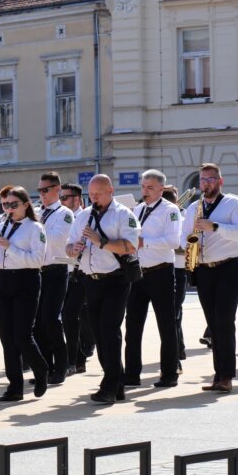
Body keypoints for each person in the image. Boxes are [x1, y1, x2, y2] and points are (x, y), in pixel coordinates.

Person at [66, 174, 140, 404]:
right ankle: (117, 384)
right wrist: (73, 249)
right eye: (91, 194)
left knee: (109, 330)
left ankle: (109, 386)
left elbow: (130, 247)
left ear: (110, 191)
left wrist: (101, 242)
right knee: (99, 333)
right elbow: (68, 245)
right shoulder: (83, 216)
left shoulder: (123, 215)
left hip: (115, 280)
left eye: (98, 193)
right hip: (91, 280)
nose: (94, 198)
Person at [180, 163, 238, 393]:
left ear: (220, 181)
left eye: (210, 179)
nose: (206, 183)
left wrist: (215, 226)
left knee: (224, 321)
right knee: (213, 323)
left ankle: (226, 376)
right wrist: (190, 244)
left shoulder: (233, 203)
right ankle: (218, 375)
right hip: (204, 270)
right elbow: (183, 238)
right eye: (202, 179)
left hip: (229, 267)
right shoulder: (194, 207)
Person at [0, 187, 50, 401]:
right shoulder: (1, 226)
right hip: (2, 280)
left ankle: (41, 369)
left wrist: (10, 248)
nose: (9, 209)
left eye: (13, 204)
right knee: (6, 337)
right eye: (6, 205)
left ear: (25, 204)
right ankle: (15, 386)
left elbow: (37, 260)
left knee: (22, 335)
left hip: (25, 280)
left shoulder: (35, 228)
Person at [124, 169, 182, 388]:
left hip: (161, 272)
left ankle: (169, 373)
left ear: (161, 189)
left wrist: (144, 242)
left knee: (166, 325)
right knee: (132, 325)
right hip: (138, 273)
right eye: (143, 187)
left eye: (150, 187)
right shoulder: (138, 209)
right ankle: (131, 374)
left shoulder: (170, 210)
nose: (145, 191)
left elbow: (174, 241)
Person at [33, 172, 74, 384]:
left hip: (56, 269)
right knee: (38, 323)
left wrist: (35, 226)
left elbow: (58, 238)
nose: (42, 194)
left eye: (45, 190)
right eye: (39, 190)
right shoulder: (38, 212)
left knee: (52, 320)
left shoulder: (64, 213)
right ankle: (45, 367)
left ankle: (62, 366)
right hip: (37, 271)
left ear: (57, 189)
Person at [60, 183, 94, 374]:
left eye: (65, 198)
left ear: (77, 199)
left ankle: (79, 354)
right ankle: (75, 358)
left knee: (81, 316)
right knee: (69, 316)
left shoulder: (85, 217)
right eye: (61, 197)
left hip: (84, 273)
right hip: (66, 271)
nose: (62, 201)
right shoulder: (61, 216)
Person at [161, 184, 188, 363]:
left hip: (178, 269)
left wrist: (164, 243)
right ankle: (179, 349)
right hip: (163, 268)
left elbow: (184, 247)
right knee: (172, 313)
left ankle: (177, 352)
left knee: (174, 312)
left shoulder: (183, 218)